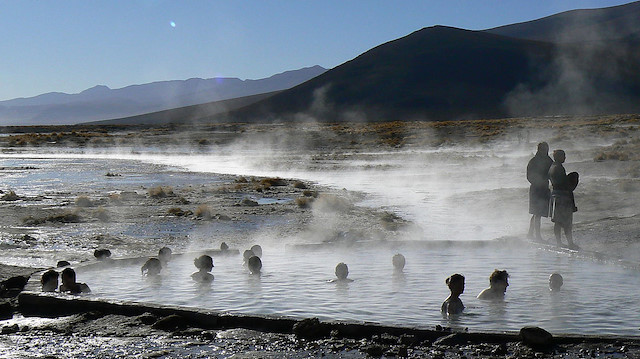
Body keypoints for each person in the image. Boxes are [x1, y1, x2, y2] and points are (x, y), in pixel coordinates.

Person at [549, 150, 578, 249]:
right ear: (559, 157)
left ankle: (559, 242)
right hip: (563, 197)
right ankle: (570, 243)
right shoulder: (558, 168)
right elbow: (565, 184)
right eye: (563, 156)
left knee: (558, 221)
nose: (565, 158)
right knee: (567, 222)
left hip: (555, 195)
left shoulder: (552, 167)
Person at [526, 142, 553, 241]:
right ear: (539, 149)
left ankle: (531, 234)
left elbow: (552, 173)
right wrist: (539, 182)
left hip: (543, 189)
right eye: (544, 149)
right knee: (537, 213)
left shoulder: (548, 160)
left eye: (547, 149)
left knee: (538, 213)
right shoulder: (533, 161)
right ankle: (537, 236)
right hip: (536, 189)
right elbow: (529, 176)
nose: (546, 151)